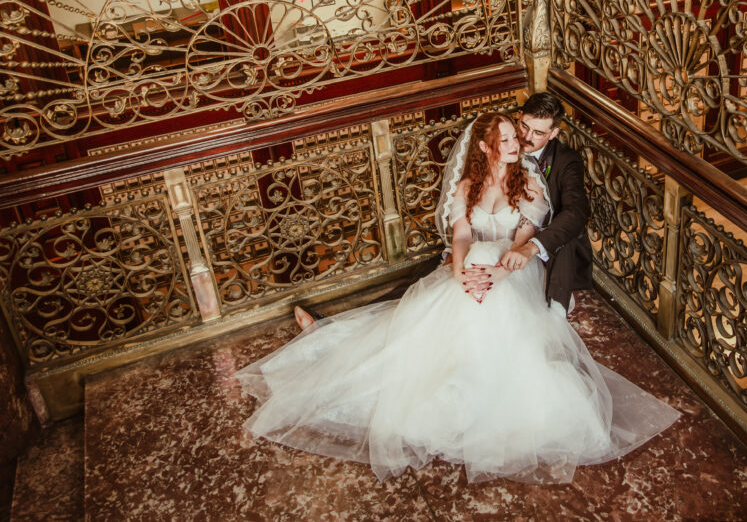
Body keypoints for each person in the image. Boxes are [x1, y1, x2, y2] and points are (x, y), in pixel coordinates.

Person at [236, 112, 679, 484]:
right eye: (504, 139)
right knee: (429, 315)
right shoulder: (466, 188)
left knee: (491, 281)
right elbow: (462, 235)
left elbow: (522, 242)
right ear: (485, 148)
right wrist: (459, 272)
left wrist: (495, 278)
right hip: (471, 274)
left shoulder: (530, 186)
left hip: (514, 273)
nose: (514, 143)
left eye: (515, 137)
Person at [499, 93, 592, 315]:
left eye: (539, 133)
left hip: (543, 240)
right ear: (519, 117)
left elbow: (577, 212)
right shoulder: (503, 140)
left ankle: (555, 314)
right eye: (524, 126)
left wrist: (532, 247)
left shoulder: (566, 160)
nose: (526, 137)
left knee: (565, 232)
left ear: (553, 134)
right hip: (505, 225)